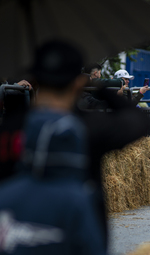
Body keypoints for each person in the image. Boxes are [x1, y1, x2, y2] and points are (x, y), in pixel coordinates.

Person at [0, 40, 107, 254]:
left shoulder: (5, 194)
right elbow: (136, 122)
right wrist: (103, 88)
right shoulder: (76, 200)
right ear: (77, 83)